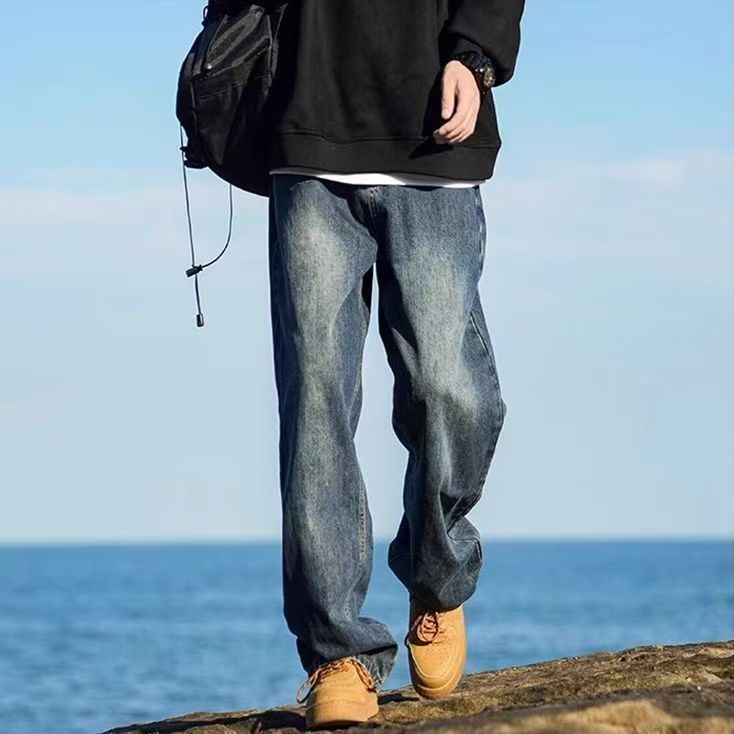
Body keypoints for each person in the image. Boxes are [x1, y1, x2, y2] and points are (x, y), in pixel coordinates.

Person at [264, 0, 525, 728]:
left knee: (448, 386)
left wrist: (474, 55)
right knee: (315, 399)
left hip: (434, 133)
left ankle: (438, 574)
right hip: (308, 126)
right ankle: (337, 653)